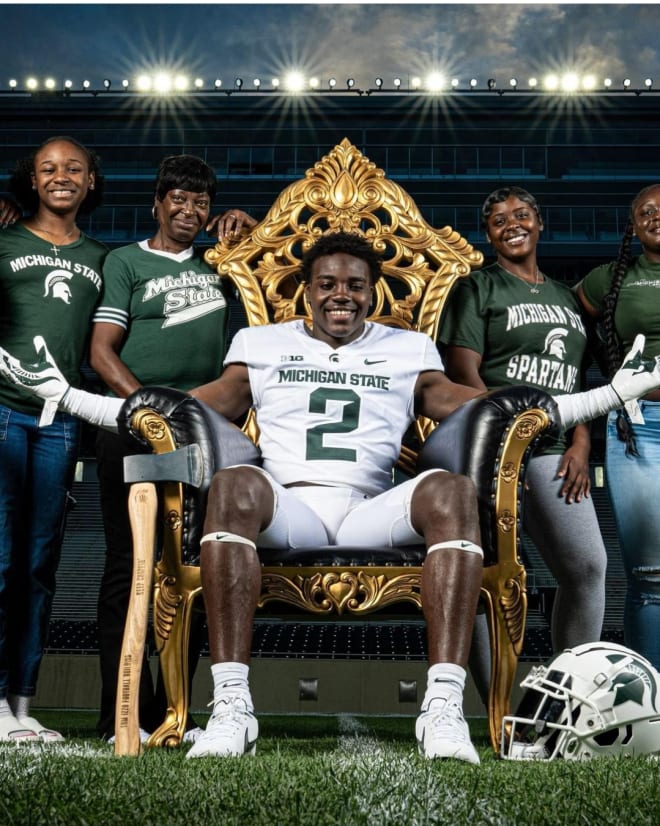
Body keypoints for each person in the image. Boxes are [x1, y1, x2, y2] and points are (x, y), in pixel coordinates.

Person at [2, 231, 660, 762]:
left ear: (371, 293)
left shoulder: (407, 347)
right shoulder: (259, 343)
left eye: (353, 285)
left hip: (373, 507)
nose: (340, 295)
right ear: (305, 291)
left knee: (454, 493)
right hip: (288, 507)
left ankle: (442, 710)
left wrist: (609, 395)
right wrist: (68, 397)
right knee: (232, 483)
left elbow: (487, 405)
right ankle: (233, 707)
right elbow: (185, 410)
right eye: (327, 284)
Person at [88, 154, 256, 742]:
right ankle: (122, 713)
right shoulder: (126, 261)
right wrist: (150, 410)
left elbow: (274, 265)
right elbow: (102, 352)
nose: (189, 210)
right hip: (131, 431)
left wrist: (246, 224)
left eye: (202, 202)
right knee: (125, 569)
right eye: (178, 200)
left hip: (202, 437)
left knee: (192, 568)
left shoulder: (220, 264)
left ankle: (176, 713)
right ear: (157, 203)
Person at [438, 186, 608, 703]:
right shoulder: (476, 288)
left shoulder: (566, 296)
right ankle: (498, 708)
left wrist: (581, 443)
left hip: (555, 451)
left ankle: (566, 698)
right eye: (496, 219)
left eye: (521, 215)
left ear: (539, 223)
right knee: (481, 572)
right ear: (487, 233)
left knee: (587, 567)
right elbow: (461, 373)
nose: (510, 223)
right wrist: (507, 431)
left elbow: (578, 379)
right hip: (491, 448)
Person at [0, 136, 106, 742]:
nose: (60, 176)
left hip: (59, 423)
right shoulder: (5, 238)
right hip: (4, 414)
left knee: (41, 567)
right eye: (47, 168)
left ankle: (21, 703)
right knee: (3, 560)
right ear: (32, 180)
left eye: (73, 168)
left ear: (91, 181)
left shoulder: (101, 257)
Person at [576, 183, 660, 672]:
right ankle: (652, 705)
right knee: (650, 575)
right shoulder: (611, 278)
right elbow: (565, 329)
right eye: (645, 211)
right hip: (638, 425)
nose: (656, 216)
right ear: (632, 225)